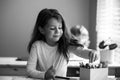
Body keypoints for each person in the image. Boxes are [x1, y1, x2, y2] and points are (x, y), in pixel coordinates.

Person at [26, 8, 99, 80]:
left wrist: (92, 52)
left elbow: (81, 51)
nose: (57, 31)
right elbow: (29, 71)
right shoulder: (36, 46)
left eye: (60, 28)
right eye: (52, 28)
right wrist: (45, 75)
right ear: (41, 30)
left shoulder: (66, 45)